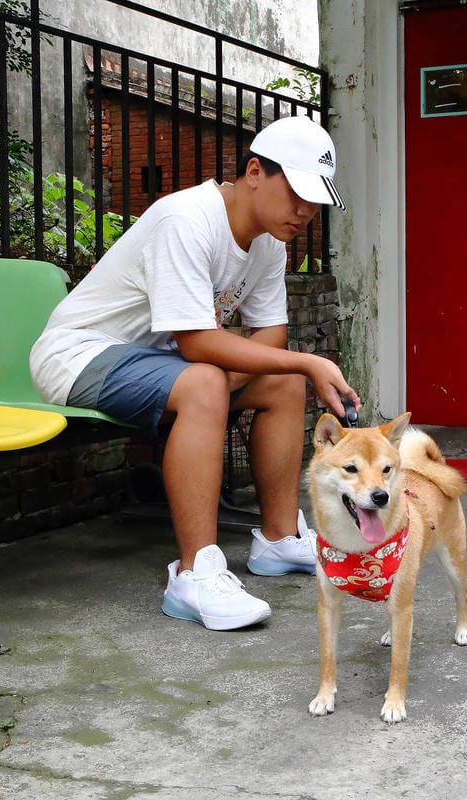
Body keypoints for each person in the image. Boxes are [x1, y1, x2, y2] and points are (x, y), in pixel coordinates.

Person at [30, 115, 360, 631]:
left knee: (281, 381)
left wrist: (247, 377)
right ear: (255, 171)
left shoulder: (270, 241)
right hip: (81, 356)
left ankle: (277, 539)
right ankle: (194, 574)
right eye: (295, 191)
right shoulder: (187, 217)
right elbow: (198, 342)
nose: (305, 211)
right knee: (215, 380)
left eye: (315, 199)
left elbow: (268, 336)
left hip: (165, 365)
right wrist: (301, 361)